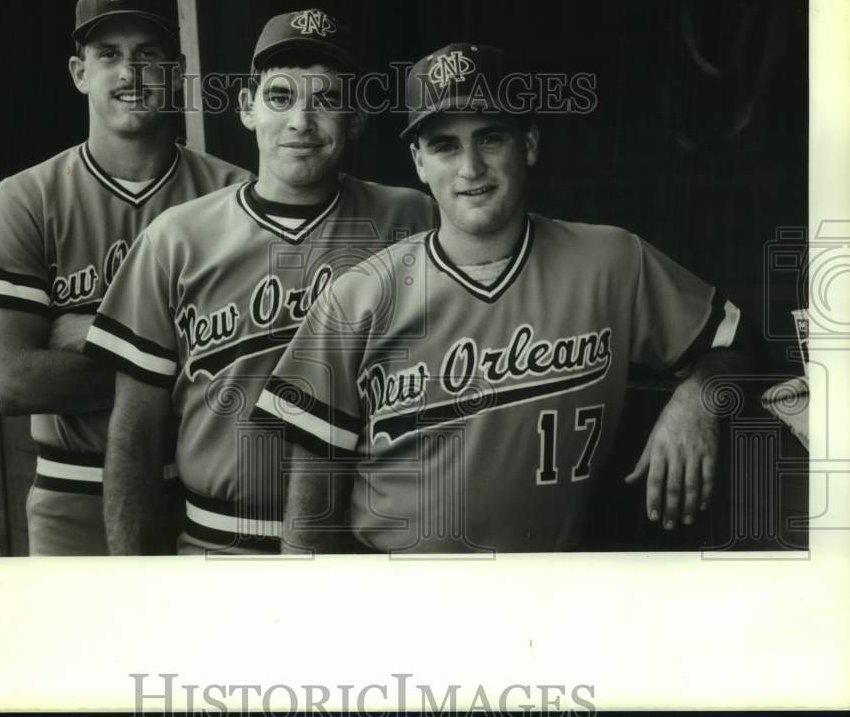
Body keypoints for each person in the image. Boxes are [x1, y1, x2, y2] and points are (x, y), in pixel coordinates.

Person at [255, 42, 758, 553]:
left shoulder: (613, 261)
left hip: (546, 597)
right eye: (445, 146)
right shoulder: (358, 298)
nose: (470, 168)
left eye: (491, 137)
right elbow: (310, 508)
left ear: (530, 143)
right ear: (418, 162)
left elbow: (741, 344)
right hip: (400, 598)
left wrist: (698, 399)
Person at [84, 9, 437, 555]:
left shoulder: (409, 221)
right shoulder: (177, 238)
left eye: (325, 99)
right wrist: (131, 576)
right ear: (247, 108)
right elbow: (135, 433)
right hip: (215, 543)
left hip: (364, 544)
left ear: (357, 118)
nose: (301, 119)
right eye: (279, 97)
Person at [0, 0, 250, 555]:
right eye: (109, 54)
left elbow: (248, 372)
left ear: (176, 70)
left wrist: (85, 336)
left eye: (148, 55)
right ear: (79, 72)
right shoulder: (24, 198)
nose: (130, 73)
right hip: (74, 497)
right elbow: (13, 380)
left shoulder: (235, 195)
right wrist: (175, 352)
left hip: (208, 500)